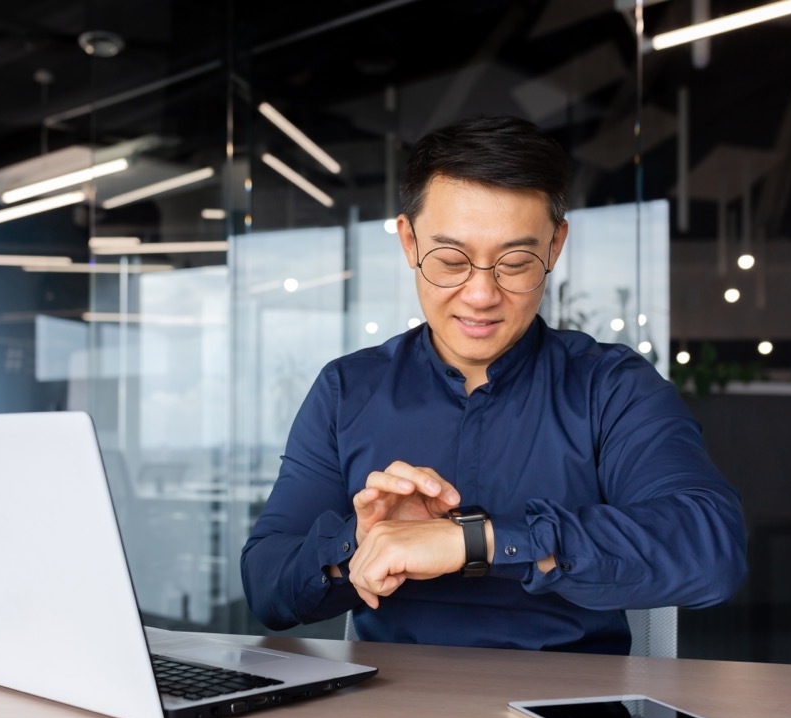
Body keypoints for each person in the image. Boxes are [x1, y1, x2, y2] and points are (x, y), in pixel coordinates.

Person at [239, 115, 747, 654]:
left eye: (516, 262)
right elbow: (266, 586)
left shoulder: (612, 389)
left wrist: (477, 541)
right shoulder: (348, 390)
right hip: (387, 717)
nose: (481, 294)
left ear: (555, 247)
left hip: (570, 716)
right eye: (452, 260)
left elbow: (711, 549)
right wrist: (362, 540)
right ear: (409, 242)